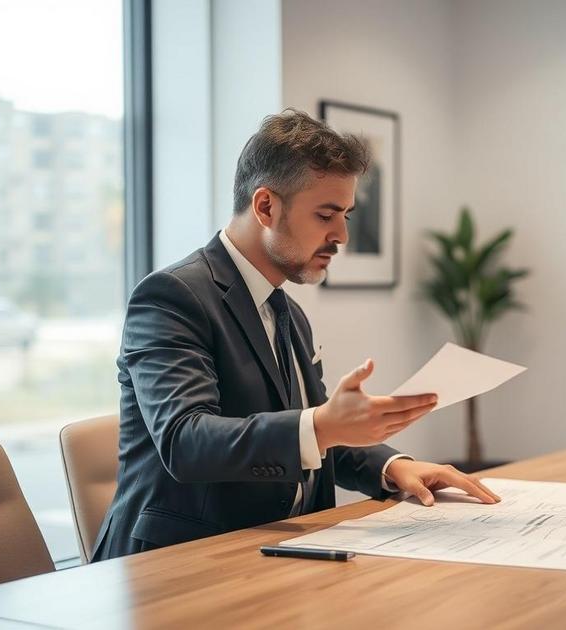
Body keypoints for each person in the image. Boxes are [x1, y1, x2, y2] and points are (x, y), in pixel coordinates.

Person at [92, 109, 500, 561]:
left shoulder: (288, 312)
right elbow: (185, 441)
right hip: (177, 562)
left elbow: (313, 439)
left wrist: (394, 465)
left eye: (345, 215)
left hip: (277, 550)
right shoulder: (172, 296)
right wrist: (324, 424)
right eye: (326, 215)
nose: (342, 235)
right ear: (265, 206)